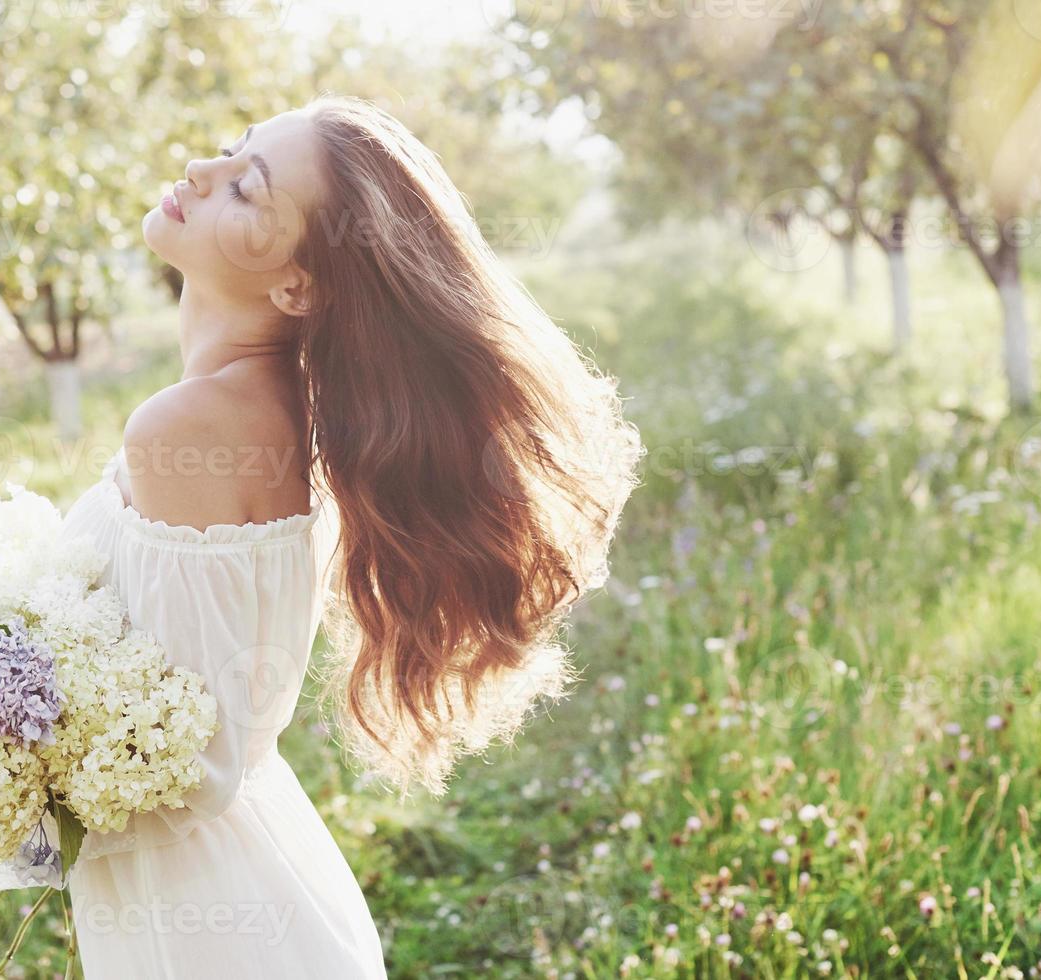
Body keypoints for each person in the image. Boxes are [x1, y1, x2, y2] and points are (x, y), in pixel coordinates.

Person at [58, 93, 643, 978]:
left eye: (247, 191)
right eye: (230, 150)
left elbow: (183, 765)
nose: (203, 173)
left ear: (296, 284)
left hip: (210, 934)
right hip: (236, 891)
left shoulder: (191, 427)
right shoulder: (267, 410)